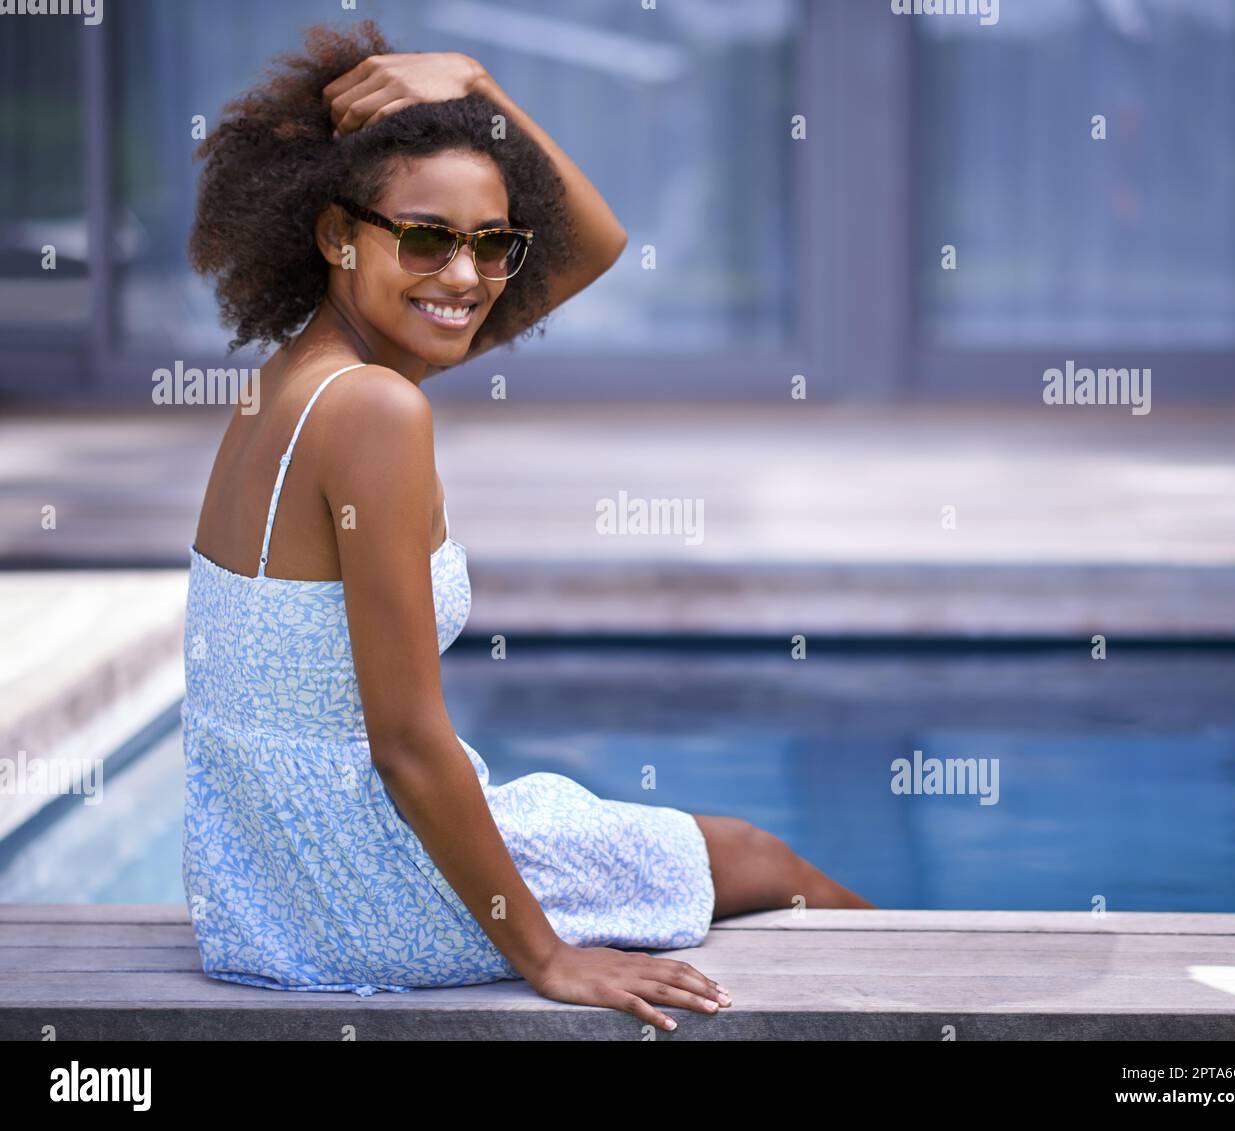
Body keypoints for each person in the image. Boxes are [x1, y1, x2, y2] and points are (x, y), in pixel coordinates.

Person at [183, 20, 873, 1035]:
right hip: (355, 894)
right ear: (336, 235)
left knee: (694, 847)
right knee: (763, 861)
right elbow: (409, 745)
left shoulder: (300, 375)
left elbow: (592, 245)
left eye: (490, 244)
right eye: (425, 238)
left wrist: (473, 83)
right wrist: (545, 955)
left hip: (257, 896)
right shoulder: (375, 411)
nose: (462, 279)